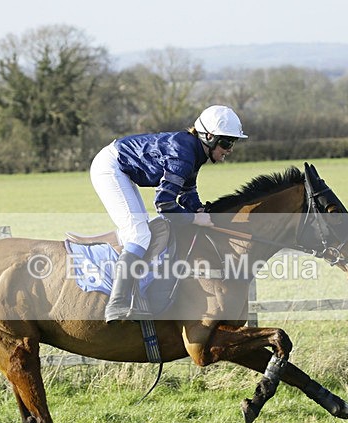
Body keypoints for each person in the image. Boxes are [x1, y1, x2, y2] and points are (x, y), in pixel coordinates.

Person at [90, 104, 248, 322]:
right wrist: (195, 218)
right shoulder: (184, 154)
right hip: (110, 167)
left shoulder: (194, 151)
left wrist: (200, 209)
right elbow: (164, 205)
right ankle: (117, 304)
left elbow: (187, 191)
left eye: (233, 142)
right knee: (138, 234)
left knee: (140, 232)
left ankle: (136, 291)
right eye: (226, 142)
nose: (230, 149)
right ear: (209, 137)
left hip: (121, 168)